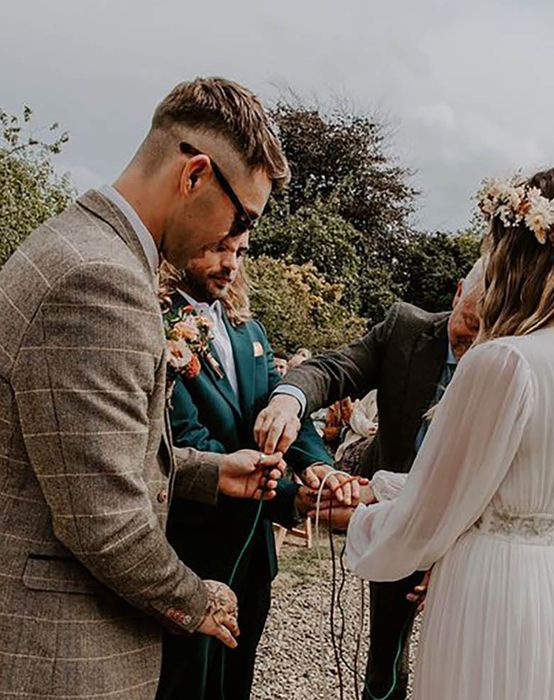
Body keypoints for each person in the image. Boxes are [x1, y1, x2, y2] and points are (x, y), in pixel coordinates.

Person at [0, 77, 288, 700]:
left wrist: (206, 471)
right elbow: (101, 519)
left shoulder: (79, 246)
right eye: (242, 216)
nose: (236, 240)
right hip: (63, 654)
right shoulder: (100, 280)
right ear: (195, 176)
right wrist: (195, 597)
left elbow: (81, 450)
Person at [317, 166, 554, 699]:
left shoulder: (505, 360)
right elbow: (493, 484)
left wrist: (351, 517)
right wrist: (381, 486)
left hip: (496, 592)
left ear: (521, 249)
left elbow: (431, 514)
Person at [254, 257, 485, 699]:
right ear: (457, 295)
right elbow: (331, 369)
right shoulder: (405, 329)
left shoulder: (510, 355)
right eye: (467, 324)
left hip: (467, 533)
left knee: (465, 663)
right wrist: (288, 401)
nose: (471, 343)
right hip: (392, 520)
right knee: (386, 661)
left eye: (485, 332)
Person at [155, 234, 334, 699]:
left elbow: (276, 406)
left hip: (253, 552)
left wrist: (317, 468)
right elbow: (184, 439)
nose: (230, 264)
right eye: (217, 248)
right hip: (191, 547)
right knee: (185, 683)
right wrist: (289, 497)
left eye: (239, 253)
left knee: (238, 679)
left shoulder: (248, 330)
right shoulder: (158, 321)